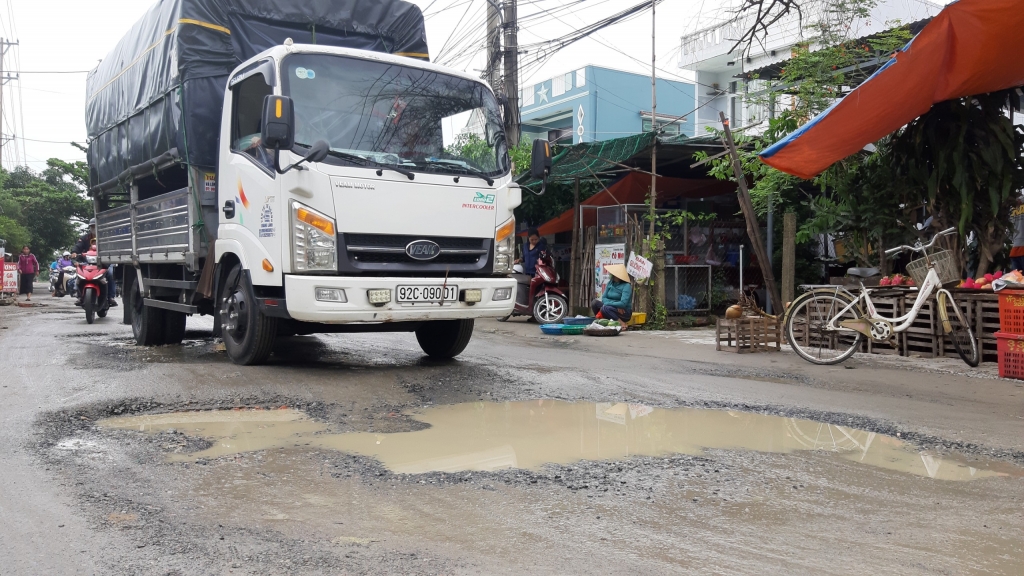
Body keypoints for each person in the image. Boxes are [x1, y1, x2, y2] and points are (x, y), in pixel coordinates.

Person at [1011, 198, 1024, 271]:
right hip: (1018, 248)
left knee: (1016, 279)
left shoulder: (1011, 206)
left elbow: (1008, 231)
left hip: (1015, 247)